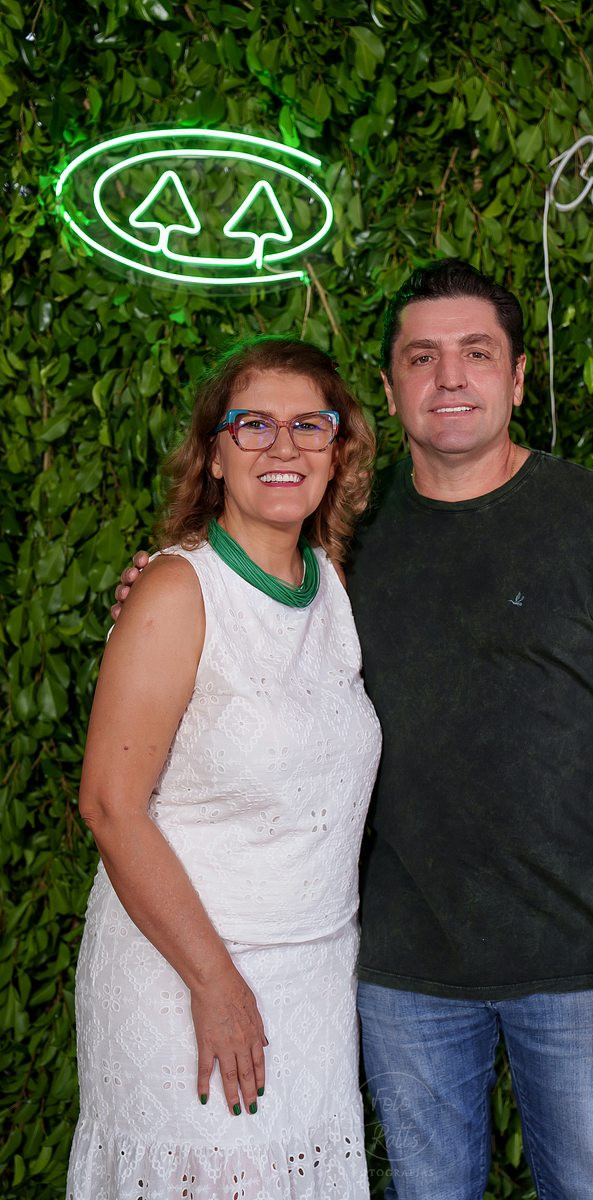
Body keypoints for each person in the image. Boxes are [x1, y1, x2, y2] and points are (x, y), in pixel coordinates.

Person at [115, 261, 593, 1200]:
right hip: (403, 967)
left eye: (475, 353)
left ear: (516, 378)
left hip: (578, 956)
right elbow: (240, 595)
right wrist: (158, 585)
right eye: (422, 357)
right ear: (390, 388)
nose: (449, 378)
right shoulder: (346, 529)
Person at [68, 337, 382, 1200]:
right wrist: (214, 981)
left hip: (314, 983)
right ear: (213, 454)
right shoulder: (176, 592)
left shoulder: (331, 584)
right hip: (185, 974)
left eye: (309, 426)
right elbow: (109, 805)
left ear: (337, 451)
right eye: (253, 425)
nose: (283, 446)